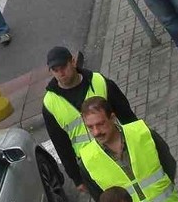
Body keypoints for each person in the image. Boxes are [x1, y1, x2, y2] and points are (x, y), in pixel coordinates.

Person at [41, 46, 136, 191]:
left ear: (73, 62)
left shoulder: (99, 82)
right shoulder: (50, 104)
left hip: (120, 151)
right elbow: (61, 144)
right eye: (55, 70)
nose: (61, 73)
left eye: (63, 67)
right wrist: (77, 178)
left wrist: (137, 141)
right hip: (92, 165)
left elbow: (126, 115)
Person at [78, 97, 178, 202]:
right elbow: (101, 199)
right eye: (90, 127)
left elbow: (168, 163)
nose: (96, 132)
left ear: (112, 118)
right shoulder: (87, 160)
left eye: (100, 124)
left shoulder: (142, 133)